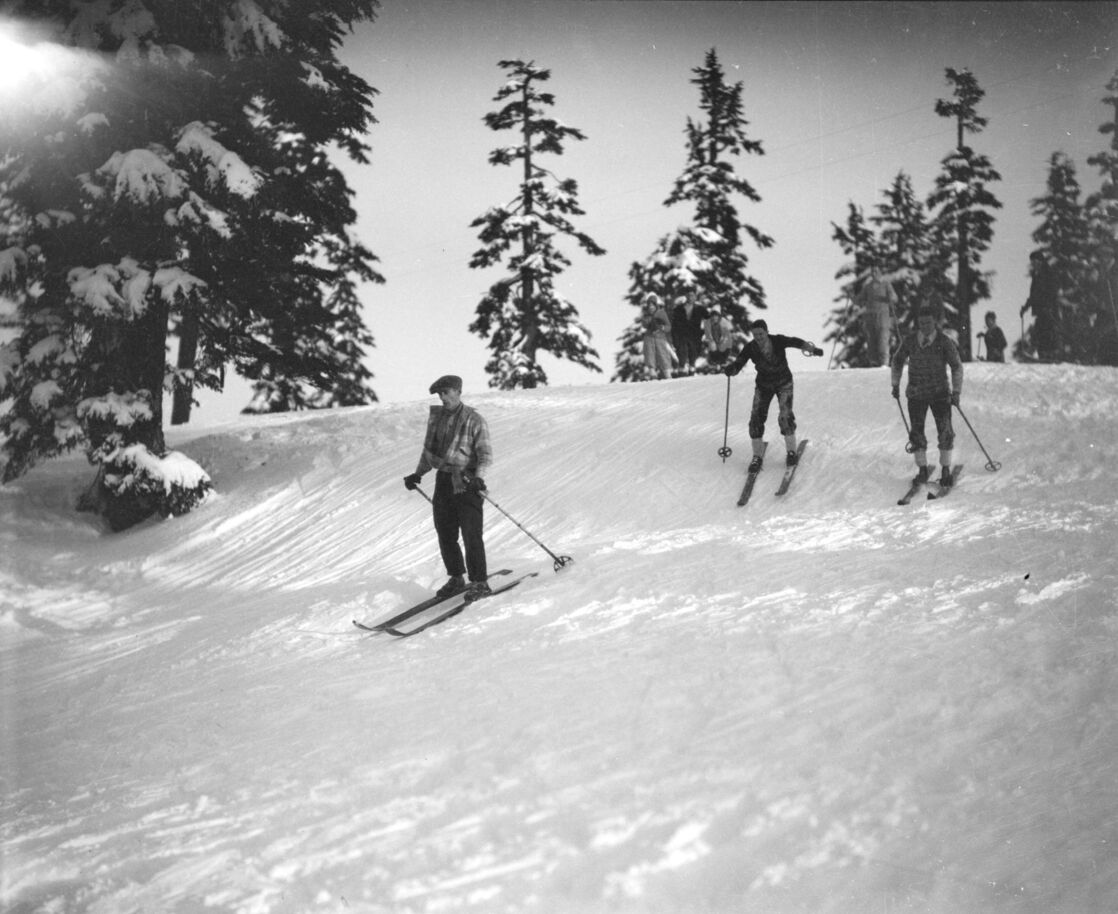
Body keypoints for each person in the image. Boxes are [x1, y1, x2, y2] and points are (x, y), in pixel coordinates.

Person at [403, 375, 493, 600]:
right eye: (439, 394)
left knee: (471, 534)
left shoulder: (475, 420)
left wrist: (479, 478)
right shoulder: (438, 419)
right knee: (445, 532)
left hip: (467, 482)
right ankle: (456, 578)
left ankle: (480, 582)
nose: (442, 398)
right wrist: (418, 473)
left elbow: (485, 455)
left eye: (445, 392)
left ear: (457, 391)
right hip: (444, 481)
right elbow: (429, 451)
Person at [723, 319, 824, 469]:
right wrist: (733, 368)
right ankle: (757, 456)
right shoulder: (750, 347)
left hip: (784, 383)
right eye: (755, 334)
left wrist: (812, 349)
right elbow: (740, 361)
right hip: (763, 385)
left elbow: (795, 342)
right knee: (756, 418)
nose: (758, 337)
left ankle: (791, 452)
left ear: (766, 331)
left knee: (785, 416)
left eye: (761, 333)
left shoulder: (777, 340)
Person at [891, 307, 963, 487]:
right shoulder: (910, 341)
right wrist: (895, 383)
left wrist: (956, 392)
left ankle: (945, 469)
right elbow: (897, 360)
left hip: (940, 394)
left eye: (928, 323)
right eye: (922, 323)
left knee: (945, 431)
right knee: (916, 433)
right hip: (916, 394)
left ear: (935, 323)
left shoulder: (944, 341)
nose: (925, 326)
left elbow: (956, 366)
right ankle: (922, 470)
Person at [855, 265, 898, 367]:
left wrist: (891, 298)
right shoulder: (868, 286)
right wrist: (853, 297)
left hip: (883, 317)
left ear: (880, 273)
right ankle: (873, 363)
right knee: (871, 341)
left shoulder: (886, 284)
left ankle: (884, 363)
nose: (874, 273)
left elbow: (895, 297)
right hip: (870, 317)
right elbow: (859, 299)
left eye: (876, 271)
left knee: (882, 340)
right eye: (872, 271)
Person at [1021, 251, 1059, 361]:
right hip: (1040, 310)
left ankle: (1049, 355)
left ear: (1040, 261)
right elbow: (1033, 295)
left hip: (1048, 309)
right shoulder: (1036, 275)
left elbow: (1052, 291)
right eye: (1032, 262)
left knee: (1047, 332)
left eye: (1035, 261)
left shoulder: (1048, 273)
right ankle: (1043, 355)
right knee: (1040, 332)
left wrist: (1049, 306)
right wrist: (1025, 307)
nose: (1033, 263)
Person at [670, 290, 708, 376]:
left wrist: (704, 331)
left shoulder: (700, 309)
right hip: (682, 335)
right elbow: (674, 324)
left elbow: (709, 318)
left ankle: (691, 372)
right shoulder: (678, 309)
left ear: (695, 297)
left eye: (693, 295)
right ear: (686, 296)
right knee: (682, 353)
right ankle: (681, 372)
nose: (691, 297)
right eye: (689, 295)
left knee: (693, 354)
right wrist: (674, 337)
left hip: (695, 335)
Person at [640, 293, 676, 379]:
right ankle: (652, 371)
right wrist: (648, 322)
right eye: (649, 305)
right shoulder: (646, 314)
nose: (651, 307)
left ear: (656, 305)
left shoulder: (661, 313)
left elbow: (668, 326)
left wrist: (662, 327)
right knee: (649, 353)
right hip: (649, 337)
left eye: (652, 305)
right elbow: (644, 325)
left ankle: (667, 372)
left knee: (663, 354)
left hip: (660, 337)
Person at [703, 305, 737, 370]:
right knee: (712, 346)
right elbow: (708, 334)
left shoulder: (724, 322)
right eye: (712, 316)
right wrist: (711, 341)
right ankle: (714, 363)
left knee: (723, 347)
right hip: (714, 340)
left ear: (719, 316)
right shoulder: (707, 322)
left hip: (724, 341)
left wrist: (722, 341)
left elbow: (727, 333)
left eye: (716, 315)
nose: (714, 317)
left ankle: (723, 362)